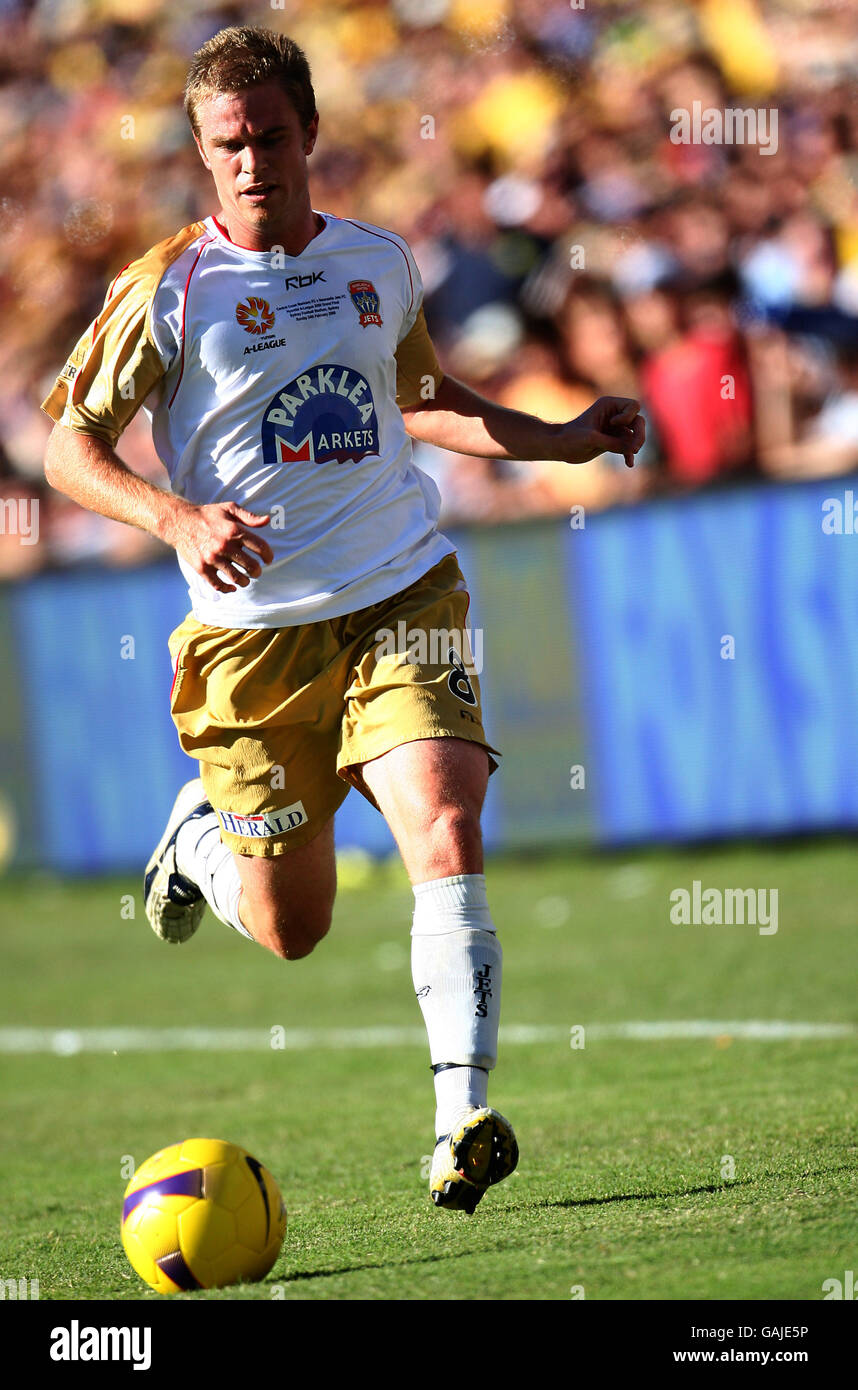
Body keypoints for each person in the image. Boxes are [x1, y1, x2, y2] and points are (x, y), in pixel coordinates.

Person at [41, 25, 644, 1217]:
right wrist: (170, 516)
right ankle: (199, 843)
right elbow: (69, 445)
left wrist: (562, 436)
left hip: (399, 595)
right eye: (229, 145)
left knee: (445, 820)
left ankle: (459, 1116)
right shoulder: (167, 286)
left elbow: (425, 402)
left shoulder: (378, 264)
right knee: (292, 927)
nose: (253, 160)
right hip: (251, 644)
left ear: (309, 131)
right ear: (203, 154)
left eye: (270, 135)